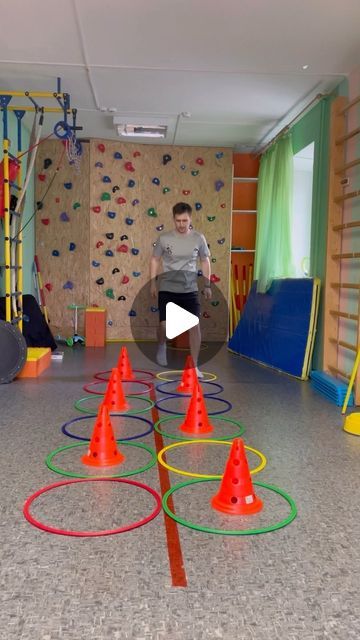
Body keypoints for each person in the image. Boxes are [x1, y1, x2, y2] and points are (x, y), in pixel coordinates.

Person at [150, 202, 212, 376]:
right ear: (173, 219)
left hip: (189, 289)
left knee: (195, 326)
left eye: (185, 221)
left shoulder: (199, 238)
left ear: (190, 219)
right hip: (168, 288)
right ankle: (161, 345)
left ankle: (194, 366)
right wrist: (153, 283)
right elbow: (154, 259)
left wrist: (207, 285)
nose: (181, 224)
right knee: (164, 326)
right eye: (178, 221)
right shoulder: (164, 238)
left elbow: (205, 261)